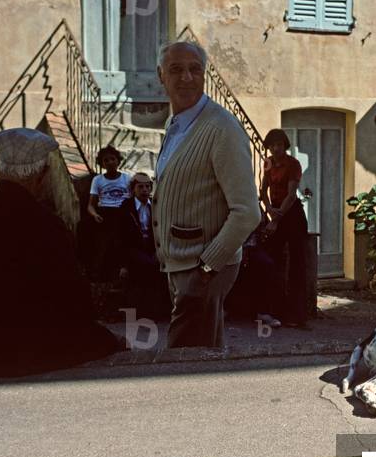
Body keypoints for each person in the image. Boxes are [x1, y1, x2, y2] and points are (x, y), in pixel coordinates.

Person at [0, 128, 124, 375]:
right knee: (110, 341)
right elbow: (75, 301)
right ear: (40, 175)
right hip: (26, 351)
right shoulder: (46, 223)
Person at [153, 41, 260, 348]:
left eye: (194, 69)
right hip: (181, 265)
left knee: (183, 361)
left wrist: (207, 267)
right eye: (176, 70)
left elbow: (247, 212)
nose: (186, 77)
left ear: (204, 75)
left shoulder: (221, 128)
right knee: (203, 357)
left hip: (201, 268)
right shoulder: (177, 125)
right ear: (161, 75)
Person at [259, 128, 310, 328]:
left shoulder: (293, 164)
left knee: (297, 265)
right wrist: (269, 208)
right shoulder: (268, 164)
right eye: (272, 145)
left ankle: (298, 316)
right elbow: (263, 191)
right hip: (276, 214)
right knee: (272, 261)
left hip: (292, 216)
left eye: (279, 144)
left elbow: (291, 195)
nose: (275, 148)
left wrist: (276, 219)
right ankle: (274, 311)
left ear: (284, 145)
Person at [118, 172, 170, 320]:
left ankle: (158, 311)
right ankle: (140, 313)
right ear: (133, 189)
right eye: (140, 187)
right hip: (134, 249)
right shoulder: (125, 208)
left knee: (156, 266)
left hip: (153, 248)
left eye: (148, 186)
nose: (145, 190)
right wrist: (123, 264)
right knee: (144, 266)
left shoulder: (155, 205)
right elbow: (121, 238)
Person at [87, 145, 131, 280]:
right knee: (103, 243)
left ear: (118, 161)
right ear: (102, 164)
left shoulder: (127, 178)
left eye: (113, 159)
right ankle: (101, 274)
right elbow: (90, 205)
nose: (110, 162)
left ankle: (124, 271)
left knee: (123, 241)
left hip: (123, 212)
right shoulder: (98, 180)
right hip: (105, 213)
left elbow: (133, 199)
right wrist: (95, 215)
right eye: (106, 160)